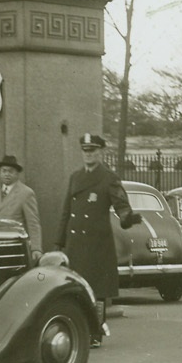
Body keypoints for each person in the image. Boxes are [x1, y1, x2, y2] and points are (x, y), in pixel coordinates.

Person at [56, 133, 141, 347]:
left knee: (97, 290)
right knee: (75, 288)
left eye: (93, 150)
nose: (88, 154)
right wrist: (59, 242)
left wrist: (127, 217)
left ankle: (95, 332)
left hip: (96, 243)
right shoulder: (75, 177)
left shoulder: (108, 177)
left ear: (101, 152)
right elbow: (66, 211)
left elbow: (122, 205)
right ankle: (79, 330)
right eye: (85, 151)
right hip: (76, 243)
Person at [0, 154, 43, 262]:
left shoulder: (26, 193)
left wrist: (36, 248)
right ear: (0, 173)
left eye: (10, 171)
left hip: (13, 248)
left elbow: (33, 223)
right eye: (4, 171)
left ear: (17, 173)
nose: (7, 174)